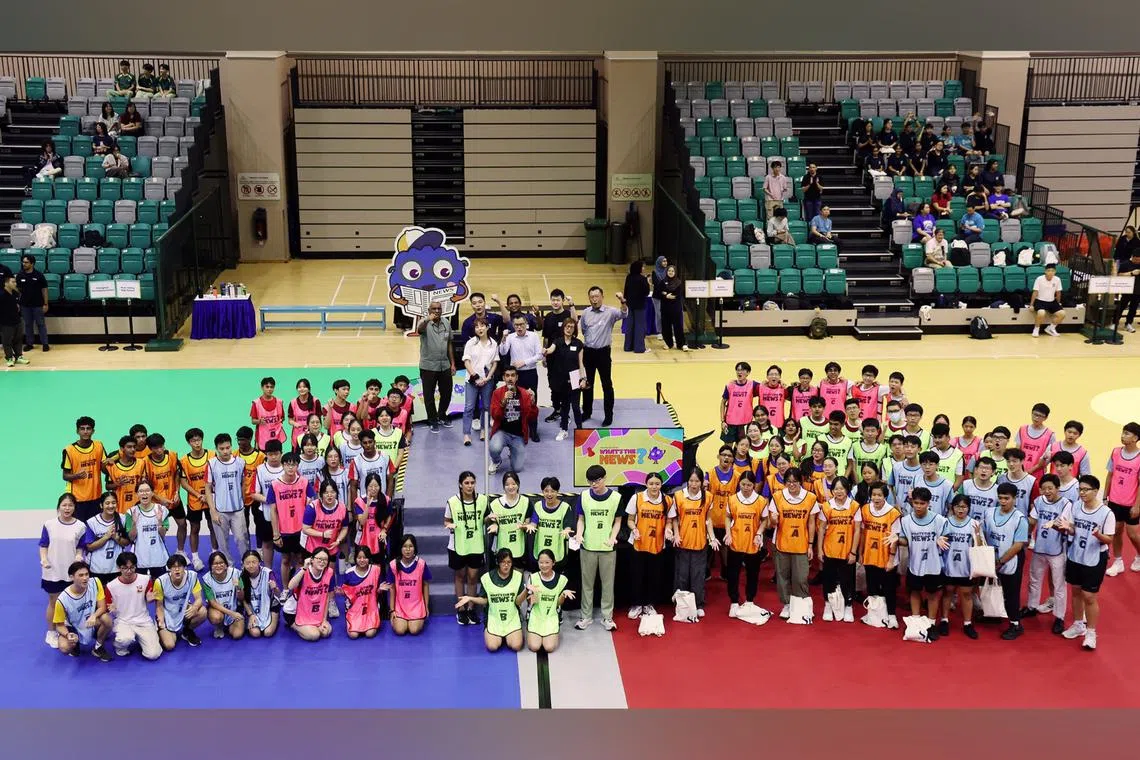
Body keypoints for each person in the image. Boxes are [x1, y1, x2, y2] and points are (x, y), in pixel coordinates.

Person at [1057, 475, 1115, 650]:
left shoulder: (1106, 513)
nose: (1082, 493)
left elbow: (1109, 540)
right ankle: (1077, 624)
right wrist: (1069, 528)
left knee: (1089, 597)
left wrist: (1098, 535)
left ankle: (1091, 632)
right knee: (1075, 591)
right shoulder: (1076, 507)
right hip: (1075, 556)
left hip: (1094, 559)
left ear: (1096, 491)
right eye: (1080, 489)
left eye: (1085, 490)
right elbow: (1074, 530)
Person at [765, 467, 818, 619]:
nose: (792, 485)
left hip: (801, 543)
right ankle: (787, 604)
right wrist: (774, 519)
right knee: (783, 576)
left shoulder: (810, 497)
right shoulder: (777, 496)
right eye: (788, 482)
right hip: (781, 542)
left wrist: (810, 545)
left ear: (800, 482)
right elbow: (771, 522)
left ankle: (801, 604)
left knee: (801, 577)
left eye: (795, 482)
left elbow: (812, 523)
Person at [897, 488, 949, 640]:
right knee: (915, 592)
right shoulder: (906, 520)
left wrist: (942, 539)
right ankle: (915, 621)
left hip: (933, 565)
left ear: (928, 503)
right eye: (916, 503)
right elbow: (905, 539)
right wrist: (897, 539)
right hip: (915, 564)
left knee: (933, 594)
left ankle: (931, 624)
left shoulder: (939, 520)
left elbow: (946, 538)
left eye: (922, 503)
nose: (918, 506)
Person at [575, 464, 622, 631]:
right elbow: (581, 519)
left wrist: (612, 538)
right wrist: (579, 534)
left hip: (607, 548)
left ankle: (607, 617)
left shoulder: (616, 497)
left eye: (597, 480)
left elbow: (617, 522)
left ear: (604, 479)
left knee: (608, 584)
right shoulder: (584, 496)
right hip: (588, 546)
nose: (594, 484)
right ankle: (585, 616)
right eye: (590, 481)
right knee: (587, 584)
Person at [39, 494, 88, 649]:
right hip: (52, 570)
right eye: (64, 505)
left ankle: (67, 628)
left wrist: (79, 555)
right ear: (59, 507)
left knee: (70, 602)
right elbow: (43, 544)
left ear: (75, 508)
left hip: (71, 571)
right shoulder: (49, 524)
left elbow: (81, 546)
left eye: (70, 506)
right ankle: (51, 632)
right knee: (54, 601)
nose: (67, 508)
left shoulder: (80, 526)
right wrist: (44, 559)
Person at [1023, 474, 1070, 634]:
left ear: (1058, 488)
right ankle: (1031, 606)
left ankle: (1059, 616)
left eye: (1050, 488)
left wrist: (1054, 525)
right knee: (1034, 580)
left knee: (1059, 585)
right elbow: (1032, 521)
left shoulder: (1066, 504)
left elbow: (1062, 524)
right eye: (1044, 489)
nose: (1047, 491)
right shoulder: (1038, 502)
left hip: (1057, 551)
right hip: (1039, 548)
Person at [625, 472, 676, 619]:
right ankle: (636, 605)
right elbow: (629, 519)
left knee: (654, 576)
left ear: (661, 485)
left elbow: (669, 521)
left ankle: (649, 605)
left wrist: (668, 530)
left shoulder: (667, 500)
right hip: (638, 544)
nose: (654, 487)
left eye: (657, 484)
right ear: (646, 484)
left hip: (657, 545)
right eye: (651, 484)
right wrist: (634, 529)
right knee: (637, 576)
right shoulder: (637, 498)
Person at [984, 483, 1030, 640]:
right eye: (1000, 498)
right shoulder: (989, 513)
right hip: (992, 557)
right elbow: (984, 534)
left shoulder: (1020, 519)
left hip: (1011, 560)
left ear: (1015, 499)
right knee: (991, 588)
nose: (1003, 501)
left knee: (1011, 592)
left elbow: (1018, 545)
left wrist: (1001, 561)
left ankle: (1015, 624)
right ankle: (993, 613)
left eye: (1007, 498)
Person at [458, 549, 526, 652]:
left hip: (512, 619)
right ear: (498, 562)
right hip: (494, 619)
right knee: (492, 647)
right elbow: (485, 600)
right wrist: (470, 598)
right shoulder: (487, 578)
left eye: (509, 562)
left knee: (516, 646)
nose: (506, 565)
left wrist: (526, 591)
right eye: (503, 562)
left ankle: (512, 635)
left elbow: (518, 602)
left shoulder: (518, 577)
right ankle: (492, 632)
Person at [578, 286, 627, 425]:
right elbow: (584, 330)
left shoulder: (610, 312)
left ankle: (608, 415)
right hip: (588, 352)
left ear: (602, 297)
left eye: (596, 296)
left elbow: (624, 314)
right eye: (591, 297)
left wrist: (622, 301)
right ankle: (587, 412)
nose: (594, 299)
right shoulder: (586, 313)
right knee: (587, 384)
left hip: (603, 353)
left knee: (607, 385)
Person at [672, 466, 716, 617]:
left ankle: (698, 604)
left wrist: (712, 537)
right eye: (691, 481)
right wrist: (676, 534)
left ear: (701, 482)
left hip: (700, 542)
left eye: (697, 481)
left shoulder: (708, 496)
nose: (694, 484)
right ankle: (681, 604)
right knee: (682, 576)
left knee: (698, 575)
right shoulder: (678, 496)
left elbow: (708, 519)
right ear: (687, 481)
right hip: (683, 542)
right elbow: (674, 518)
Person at [445, 471, 488, 626]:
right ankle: (461, 609)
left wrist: (492, 521)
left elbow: (486, 517)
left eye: (472, 482)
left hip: (475, 544)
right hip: (457, 545)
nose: (470, 486)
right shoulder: (452, 502)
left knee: (472, 577)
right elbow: (447, 520)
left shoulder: (483, 500)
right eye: (466, 483)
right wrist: (449, 525)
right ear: (460, 484)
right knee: (460, 576)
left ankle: (471, 608)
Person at [723, 471, 767, 617]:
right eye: (743, 484)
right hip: (736, 540)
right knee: (733, 573)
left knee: (753, 573)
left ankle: (749, 600)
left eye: (749, 485)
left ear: (754, 485)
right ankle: (734, 601)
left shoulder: (760, 501)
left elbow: (765, 519)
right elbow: (728, 517)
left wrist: (759, 533)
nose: (746, 487)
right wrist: (728, 533)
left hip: (753, 542)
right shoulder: (732, 499)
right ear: (739, 484)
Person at [816, 476, 859, 622]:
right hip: (830, 549)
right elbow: (821, 528)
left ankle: (848, 606)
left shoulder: (854, 506)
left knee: (847, 580)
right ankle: (828, 605)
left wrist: (854, 551)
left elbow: (858, 530)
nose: (839, 491)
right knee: (829, 579)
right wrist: (820, 550)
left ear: (847, 489)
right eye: (836, 489)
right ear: (832, 490)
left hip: (847, 551)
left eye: (842, 488)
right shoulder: (827, 506)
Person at [859, 481, 902, 629]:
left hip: (886, 557)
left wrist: (891, 559)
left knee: (889, 588)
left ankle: (891, 616)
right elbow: (863, 533)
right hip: (870, 554)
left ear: (885, 496)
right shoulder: (865, 509)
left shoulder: (893, 513)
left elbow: (895, 538)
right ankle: (874, 615)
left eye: (879, 495)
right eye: (874, 495)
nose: (876, 498)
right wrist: (861, 552)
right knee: (872, 586)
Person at [53, 561, 113, 661]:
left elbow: (102, 607)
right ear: (72, 577)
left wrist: (94, 615)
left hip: (91, 622)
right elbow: (59, 625)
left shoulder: (95, 583)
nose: (85, 578)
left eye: (86, 574)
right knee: (64, 648)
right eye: (80, 575)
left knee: (107, 619)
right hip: (73, 627)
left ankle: (98, 647)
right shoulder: (62, 600)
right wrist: (68, 635)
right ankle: (74, 644)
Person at [105, 552, 162, 660]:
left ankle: (144, 640)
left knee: (153, 654)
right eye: (125, 568)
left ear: (136, 566)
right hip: (123, 622)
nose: (129, 571)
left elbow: (149, 598)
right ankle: (119, 646)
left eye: (132, 567)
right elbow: (108, 607)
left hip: (143, 621)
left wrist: (149, 599)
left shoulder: (145, 579)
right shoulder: (111, 586)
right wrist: (111, 609)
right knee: (124, 639)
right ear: (119, 568)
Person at [499, 312, 544, 440]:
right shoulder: (510, 337)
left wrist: (524, 362)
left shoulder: (534, 336)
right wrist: (503, 339)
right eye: (516, 325)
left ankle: (533, 430)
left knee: (532, 401)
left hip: (530, 373)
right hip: (515, 376)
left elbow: (539, 355)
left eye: (521, 324)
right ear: (513, 326)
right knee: (515, 402)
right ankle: (518, 430)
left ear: (526, 324)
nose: (519, 327)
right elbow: (503, 351)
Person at [205, 433, 250, 559]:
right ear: (216, 449)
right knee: (223, 544)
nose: (225, 451)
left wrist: (243, 504)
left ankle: (246, 565)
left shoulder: (241, 462)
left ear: (231, 446)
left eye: (228, 447)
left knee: (242, 540)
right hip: (220, 511)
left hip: (238, 510)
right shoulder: (211, 464)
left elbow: (243, 484)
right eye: (222, 449)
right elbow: (207, 488)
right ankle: (228, 567)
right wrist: (213, 511)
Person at [1104, 421, 1140, 576]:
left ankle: (1139, 555)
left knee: (1132, 534)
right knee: (1116, 531)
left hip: (1131, 503)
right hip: (1114, 501)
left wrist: (1137, 506)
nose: (1123, 435)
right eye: (1123, 432)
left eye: (1127, 433)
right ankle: (1118, 562)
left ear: (1135, 438)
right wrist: (1105, 496)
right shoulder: (1115, 452)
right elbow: (1110, 475)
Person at [488, 367, 538, 474]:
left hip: (518, 435)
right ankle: (496, 461)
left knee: (517, 469)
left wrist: (533, 403)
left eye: (512, 375)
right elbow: (495, 416)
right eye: (507, 375)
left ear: (517, 377)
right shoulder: (497, 393)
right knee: (493, 448)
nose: (510, 378)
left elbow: (532, 416)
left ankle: (513, 451)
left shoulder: (524, 394)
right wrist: (504, 401)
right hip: (502, 432)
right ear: (503, 378)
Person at [544, 318, 588, 441]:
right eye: (567, 326)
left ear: (574, 329)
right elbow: (551, 349)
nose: (569, 329)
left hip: (574, 377)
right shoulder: (557, 342)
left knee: (575, 407)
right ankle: (563, 430)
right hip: (561, 378)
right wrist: (546, 351)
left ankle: (580, 430)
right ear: (563, 328)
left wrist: (583, 378)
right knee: (564, 407)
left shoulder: (578, 344)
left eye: (571, 327)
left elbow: (581, 363)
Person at [416, 302, 456, 433]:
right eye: (434, 309)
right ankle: (432, 420)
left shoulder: (446, 323)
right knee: (429, 396)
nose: (437, 311)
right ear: (429, 310)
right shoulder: (424, 322)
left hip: (444, 364)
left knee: (447, 393)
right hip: (428, 366)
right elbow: (419, 330)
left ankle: (442, 415)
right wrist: (428, 319)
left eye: (439, 308)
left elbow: (449, 343)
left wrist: (452, 363)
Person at [153, 554, 205, 650]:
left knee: (202, 611)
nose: (177, 569)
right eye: (173, 567)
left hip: (182, 609)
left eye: (179, 566)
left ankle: (187, 631)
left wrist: (194, 608)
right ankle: (159, 631)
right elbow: (159, 606)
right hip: (167, 613)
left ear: (184, 567)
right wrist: (161, 620)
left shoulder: (192, 576)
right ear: (169, 569)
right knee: (169, 645)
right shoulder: (160, 582)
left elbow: (199, 599)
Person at [526, 549, 574, 652]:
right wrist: (530, 597)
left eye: (547, 562)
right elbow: (529, 602)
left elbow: (558, 603)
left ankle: (553, 631)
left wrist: (563, 595)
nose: (544, 565)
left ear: (553, 562)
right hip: (536, 616)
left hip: (551, 616)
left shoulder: (562, 579)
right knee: (534, 647)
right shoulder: (533, 578)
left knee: (549, 647)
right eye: (541, 562)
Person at [461, 317, 500, 447]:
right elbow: (466, 361)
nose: (480, 329)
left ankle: (484, 430)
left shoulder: (493, 343)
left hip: (487, 380)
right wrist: (475, 376)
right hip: (472, 380)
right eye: (477, 327)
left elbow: (495, 363)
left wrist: (488, 378)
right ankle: (467, 434)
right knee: (469, 407)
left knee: (486, 406)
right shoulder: (471, 343)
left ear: (487, 327)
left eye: (482, 326)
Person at [339, 547, 388, 639]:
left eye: (365, 557)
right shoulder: (349, 573)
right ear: (355, 558)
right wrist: (342, 593)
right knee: (353, 635)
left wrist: (380, 589)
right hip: (355, 608)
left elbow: (377, 591)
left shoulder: (376, 570)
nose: (362, 560)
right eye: (359, 557)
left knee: (370, 634)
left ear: (369, 558)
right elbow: (347, 593)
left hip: (371, 608)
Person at [287, 549, 335, 641]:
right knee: (314, 635)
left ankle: (312, 625)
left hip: (316, 612)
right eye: (319, 559)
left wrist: (324, 620)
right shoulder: (303, 572)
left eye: (325, 559)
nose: (322, 562)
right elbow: (290, 586)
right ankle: (293, 625)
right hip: (295, 612)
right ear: (311, 560)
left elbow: (326, 597)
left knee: (326, 632)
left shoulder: (329, 572)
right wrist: (304, 568)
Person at [389, 534, 430, 636]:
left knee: (414, 630)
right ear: (400, 548)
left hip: (416, 606)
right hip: (400, 606)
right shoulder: (393, 565)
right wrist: (392, 610)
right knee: (400, 631)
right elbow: (392, 588)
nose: (407, 550)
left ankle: (418, 618)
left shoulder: (421, 564)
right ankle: (401, 619)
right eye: (404, 546)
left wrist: (426, 606)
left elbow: (425, 585)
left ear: (415, 548)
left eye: (410, 546)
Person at [125, 483, 170, 577]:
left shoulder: (161, 510)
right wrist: (134, 523)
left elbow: (162, 535)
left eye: (147, 490)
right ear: (137, 494)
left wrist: (159, 522)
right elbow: (131, 538)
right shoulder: (131, 512)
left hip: (158, 556)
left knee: (159, 587)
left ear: (152, 493)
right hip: (140, 557)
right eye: (141, 491)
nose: (144, 493)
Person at [239, 550, 279, 638]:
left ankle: (275, 617)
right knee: (255, 634)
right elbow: (242, 600)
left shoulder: (268, 573)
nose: (251, 565)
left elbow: (278, 595)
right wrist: (250, 614)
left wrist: (275, 588)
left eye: (254, 562)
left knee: (268, 633)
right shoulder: (241, 577)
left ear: (259, 562)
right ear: (243, 564)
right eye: (248, 563)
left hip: (269, 606)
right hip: (251, 608)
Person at [354, 472, 393, 564]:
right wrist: (367, 506)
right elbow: (362, 522)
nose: (373, 489)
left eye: (376, 486)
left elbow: (389, 517)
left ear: (380, 486)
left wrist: (384, 530)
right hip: (364, 538)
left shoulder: (386, 500)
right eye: (370, 486)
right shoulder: (359, 501)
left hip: (379, 538)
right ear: (366, 486)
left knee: (379, 566)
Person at [16, 254, 49, 353]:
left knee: (41, 324)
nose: (24, 264)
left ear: (32, 263)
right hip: (25, 305)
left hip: (38, 305)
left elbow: (44, 290)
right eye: (23, 262)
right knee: (28, 325)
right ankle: (29, 344)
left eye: (26, 262)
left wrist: (46, 304)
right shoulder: (20, 275)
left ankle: (45, 344)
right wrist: (17, 302)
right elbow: (17, 290)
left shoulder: (39, 275)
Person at [654, 264, 687, 351]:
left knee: (678, 327)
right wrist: (665, 296)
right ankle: (669, 343)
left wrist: (666, 293)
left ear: (675, 272)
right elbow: (658, 293)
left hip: (676, 309)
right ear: (666, 272)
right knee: (666, 327)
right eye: (669, 271)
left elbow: (677, 294)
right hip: (665, 308)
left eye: (672, 271)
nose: (671, 272)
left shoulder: (679, 282)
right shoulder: (662, 282)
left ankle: (681, 344)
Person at [249, 376, 286, 450]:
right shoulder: (256, 403)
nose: (269, 389)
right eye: (267, 387)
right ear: (262, 387)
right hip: (262, 437)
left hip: (276, 437)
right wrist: (259, 421)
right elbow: (253, 421)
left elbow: (282, 418)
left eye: (271, 387)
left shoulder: (279, 402)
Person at [622, 261, 651, 354]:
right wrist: (647, 282)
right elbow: (646, 292)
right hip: (639, 305)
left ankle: (628, 346)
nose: (644, 268)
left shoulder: (629, 277)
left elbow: (625, 291)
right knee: (639, 326)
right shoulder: (642, 279)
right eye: (642, 267)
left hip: (630, 305)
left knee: (630, 325)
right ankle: (639, 348)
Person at [1031, 263, 1065, 337]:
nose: (1050, 272)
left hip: (1052, 301)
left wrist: (1058, 303)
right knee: (1041, 313)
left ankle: (1051, 328)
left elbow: (1058, 293)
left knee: (1062, 314)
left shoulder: (1057, 279)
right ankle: (1036, 329)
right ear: (1045, 271)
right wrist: (1031, 305)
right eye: (1048, 270)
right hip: (1040, 301)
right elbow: (1035, 292)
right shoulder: (1039, 279)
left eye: (1052, 271)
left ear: (1055, 272)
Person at [1112, 244, 1140, 333]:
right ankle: (1114, 323)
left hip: (1137, 290)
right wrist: (1131, 273)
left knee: (1133, 308)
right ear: (1133, 257)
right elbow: (1119, 275)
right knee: (1121, 307)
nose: (1138, 261)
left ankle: (1128, 323)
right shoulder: (1125, 264)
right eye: (1137, 259)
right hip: (1126, 290)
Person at [0, 272, 26, 367]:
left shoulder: (15, 293)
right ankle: (9, 358)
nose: (15, 283)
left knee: (18, 339)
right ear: (6, 283)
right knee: (7, 341)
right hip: (6, 322)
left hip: (17, 320)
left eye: (15, 282)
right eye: (13, 282)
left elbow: (17, 305)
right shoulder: (1, 295)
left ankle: (19, 357)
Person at [288, 379, 322, 449]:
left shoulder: (315, 401)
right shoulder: (293, 402)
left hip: (312, 435)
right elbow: (290, 420)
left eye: (304, 387)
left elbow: (319, 420)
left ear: (308, 389)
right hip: (297, 435)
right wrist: (295, 424)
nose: (302, 389)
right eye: (299, 387)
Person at [650, 256, 668, 340]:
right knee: (659, 315)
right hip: (657, 296)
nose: (665, 263)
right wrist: (665, 287)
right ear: (659, 262)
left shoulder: (669, 271)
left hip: (667, 296)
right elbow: (656, 284)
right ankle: (660, 332)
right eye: (663, 261)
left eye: (666, 261)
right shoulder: (654, 272)